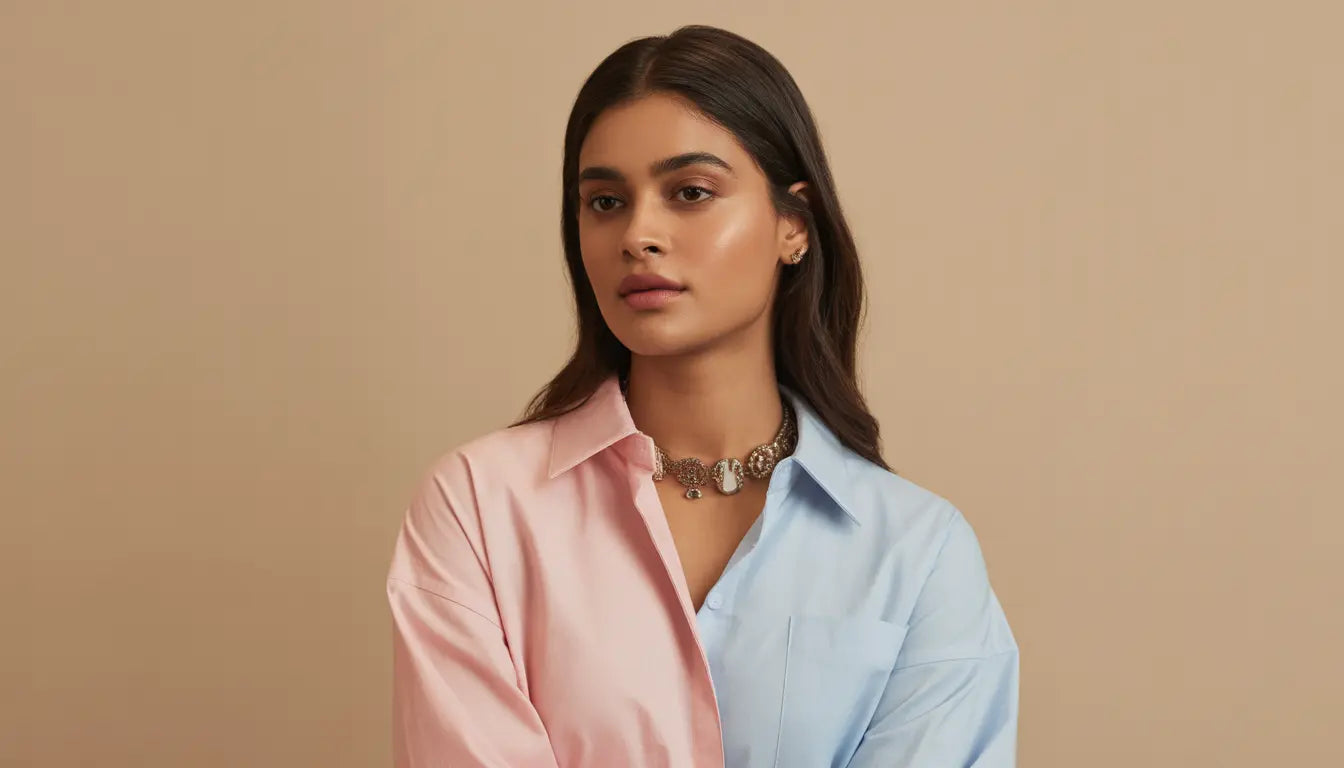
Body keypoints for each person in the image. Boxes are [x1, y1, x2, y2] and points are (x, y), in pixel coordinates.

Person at [385, 24, 1018, 768]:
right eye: (605, 202)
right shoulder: (478, 508)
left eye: (690, 192)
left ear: (792, 224)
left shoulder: (918, 552)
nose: (638, 234)